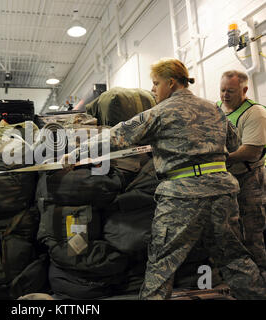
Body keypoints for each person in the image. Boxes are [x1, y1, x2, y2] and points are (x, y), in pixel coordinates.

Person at [61, 58, 266, 299]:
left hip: (182, 196)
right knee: (234, 257)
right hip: (223, 194)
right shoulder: (214, 110)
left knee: (162, 264)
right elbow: (233, 146)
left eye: (156, 83)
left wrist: (74, 155)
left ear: (170, 83)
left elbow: (116, 136)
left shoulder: (160, 112)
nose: (153, 90)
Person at [217, 70, 266, 272]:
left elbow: (252, 151)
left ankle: (260, 276)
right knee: (231, 229)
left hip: (250, 179)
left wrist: (219, 157)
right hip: (227, 179)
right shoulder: (217, 108)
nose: (224, 95)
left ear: (244, 90)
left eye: (230, 91)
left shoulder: (255, 113)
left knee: (252, 230)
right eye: (222, 90)